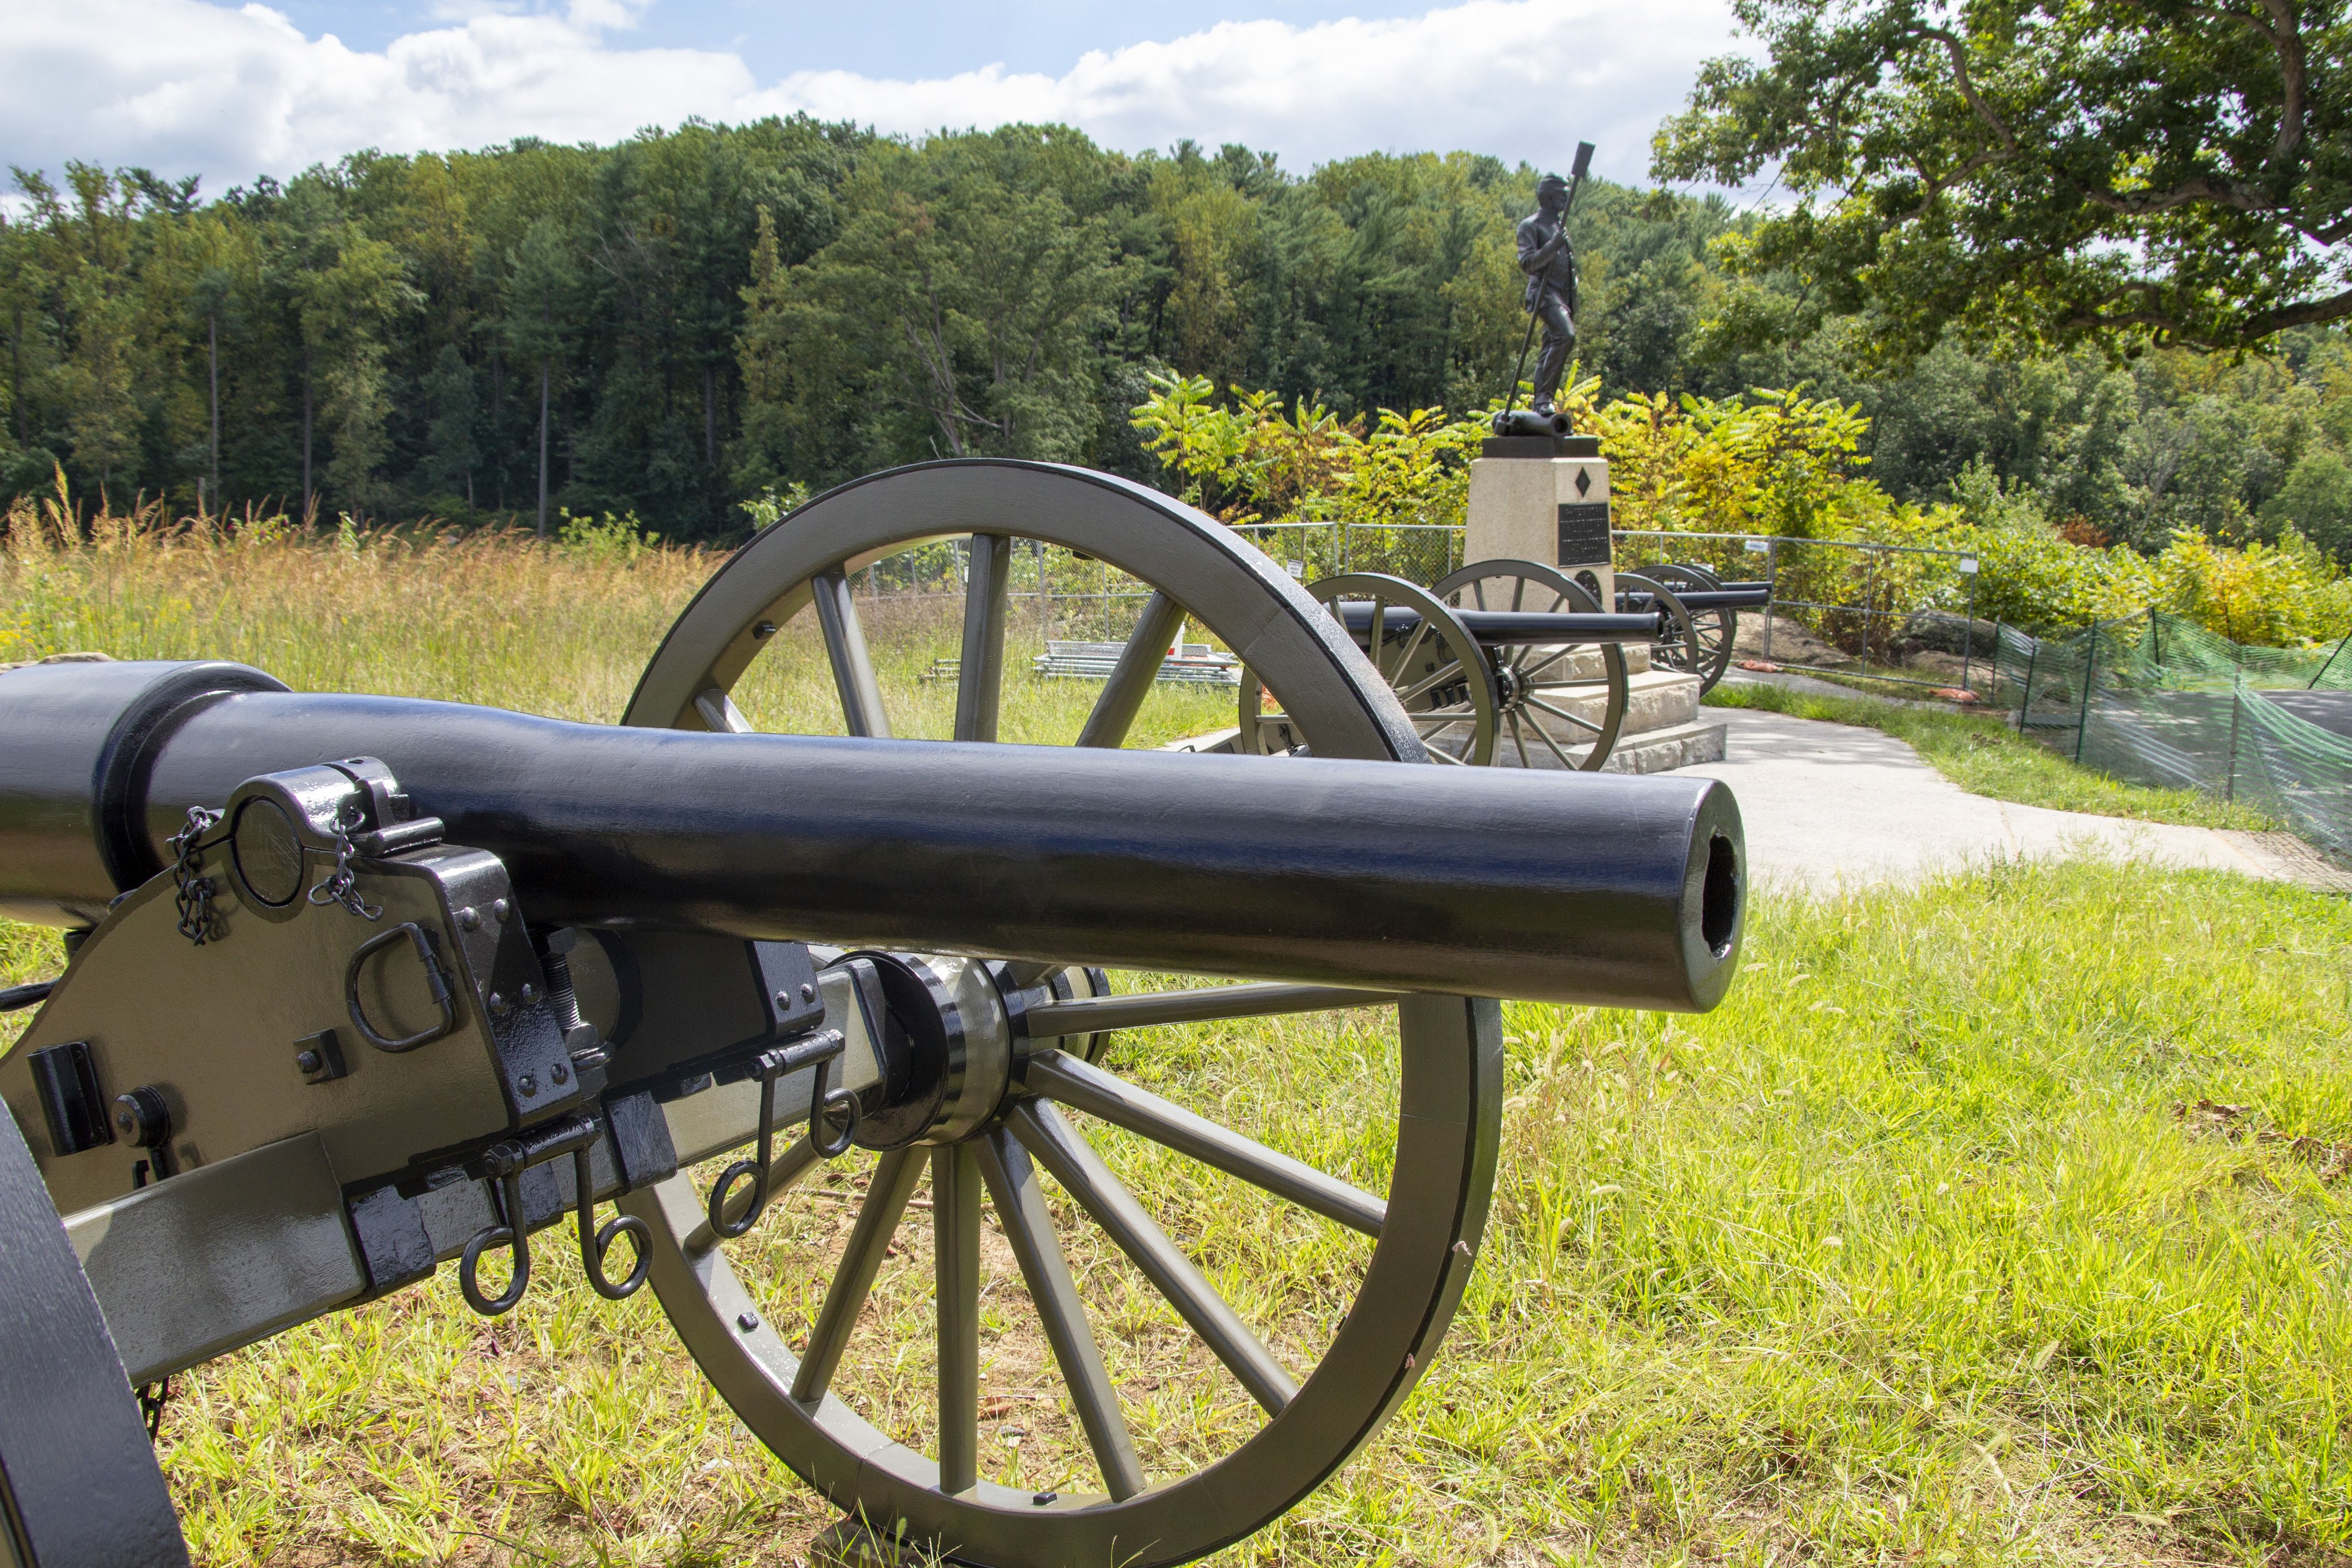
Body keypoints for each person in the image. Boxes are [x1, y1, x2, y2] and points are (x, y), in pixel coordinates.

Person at [1515, 174, 1578, 416]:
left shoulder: (1560, 226)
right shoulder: (1530, 226)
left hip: (1564, 296)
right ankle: (1544, 397)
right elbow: (1528, 264)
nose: (1565, 197)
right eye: (1561, 193)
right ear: (1548, 196)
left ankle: (1542, 402)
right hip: (1545, 294)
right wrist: (1553, 246)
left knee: (1551, 345)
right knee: (1565, 336)